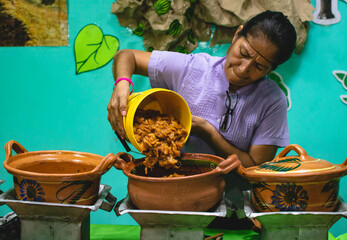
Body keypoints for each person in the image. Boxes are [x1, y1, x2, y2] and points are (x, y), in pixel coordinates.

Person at [108, 10, 296, 230]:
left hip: (233, 213)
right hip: (172, 201)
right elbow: (126, 56)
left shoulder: (272, 100)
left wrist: (209, 132)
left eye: (260, 66)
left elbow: (256, 170)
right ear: (237, 34)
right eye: (243, 53)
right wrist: (122, 84)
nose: (244, 69)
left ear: (272, 69)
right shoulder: (193, 68)